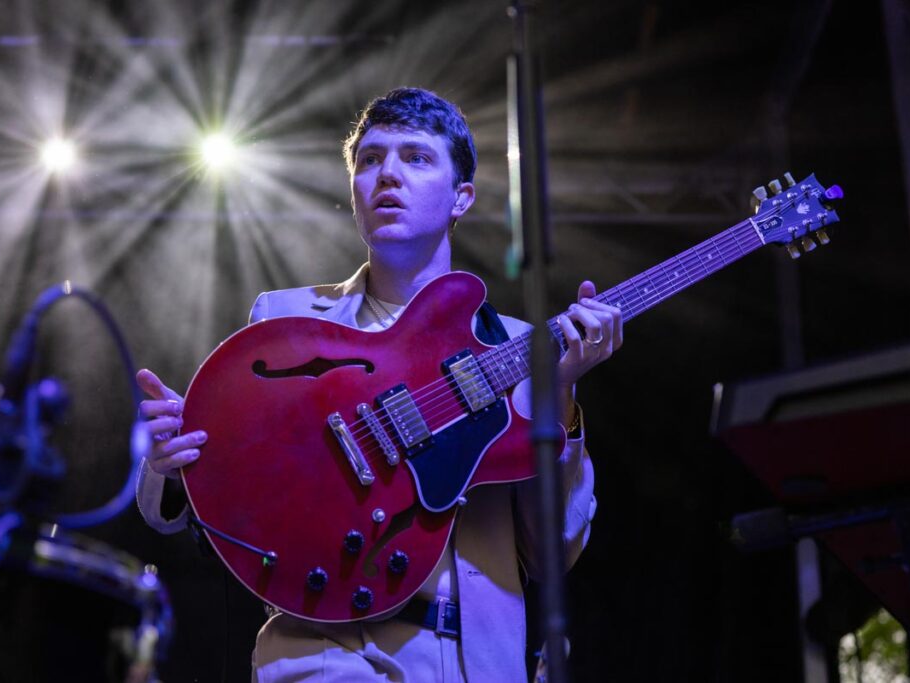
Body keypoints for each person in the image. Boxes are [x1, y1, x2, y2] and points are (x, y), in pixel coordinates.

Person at [136, 87, 623, 682]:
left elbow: (553, 552)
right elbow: (216, 488)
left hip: (478, 660)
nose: (387, 173)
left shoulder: (519, 348)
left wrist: (561, 398)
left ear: (461, 197)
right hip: (324, 648)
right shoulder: (290, 325)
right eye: (369, 160)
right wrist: (169, 462)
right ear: (353, 191)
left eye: (416, 158)